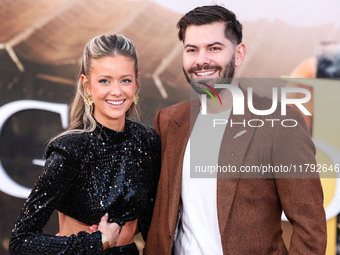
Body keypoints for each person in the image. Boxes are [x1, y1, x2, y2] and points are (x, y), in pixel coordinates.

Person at [144, 5, 326, 255]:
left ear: (239, 54)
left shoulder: (280, 123)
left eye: (214, 48)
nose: (201, 60)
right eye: (192, 50)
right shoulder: (169, 120)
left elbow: (311, 229)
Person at [9, 34, 160, 255]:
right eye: (104, 80)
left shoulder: (147, 141)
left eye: (125, 80)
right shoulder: (70, 149)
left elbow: (152, 223)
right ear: (87, 85)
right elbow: (20, 241)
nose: (117, 91)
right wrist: (97, 243)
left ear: (137, 82)